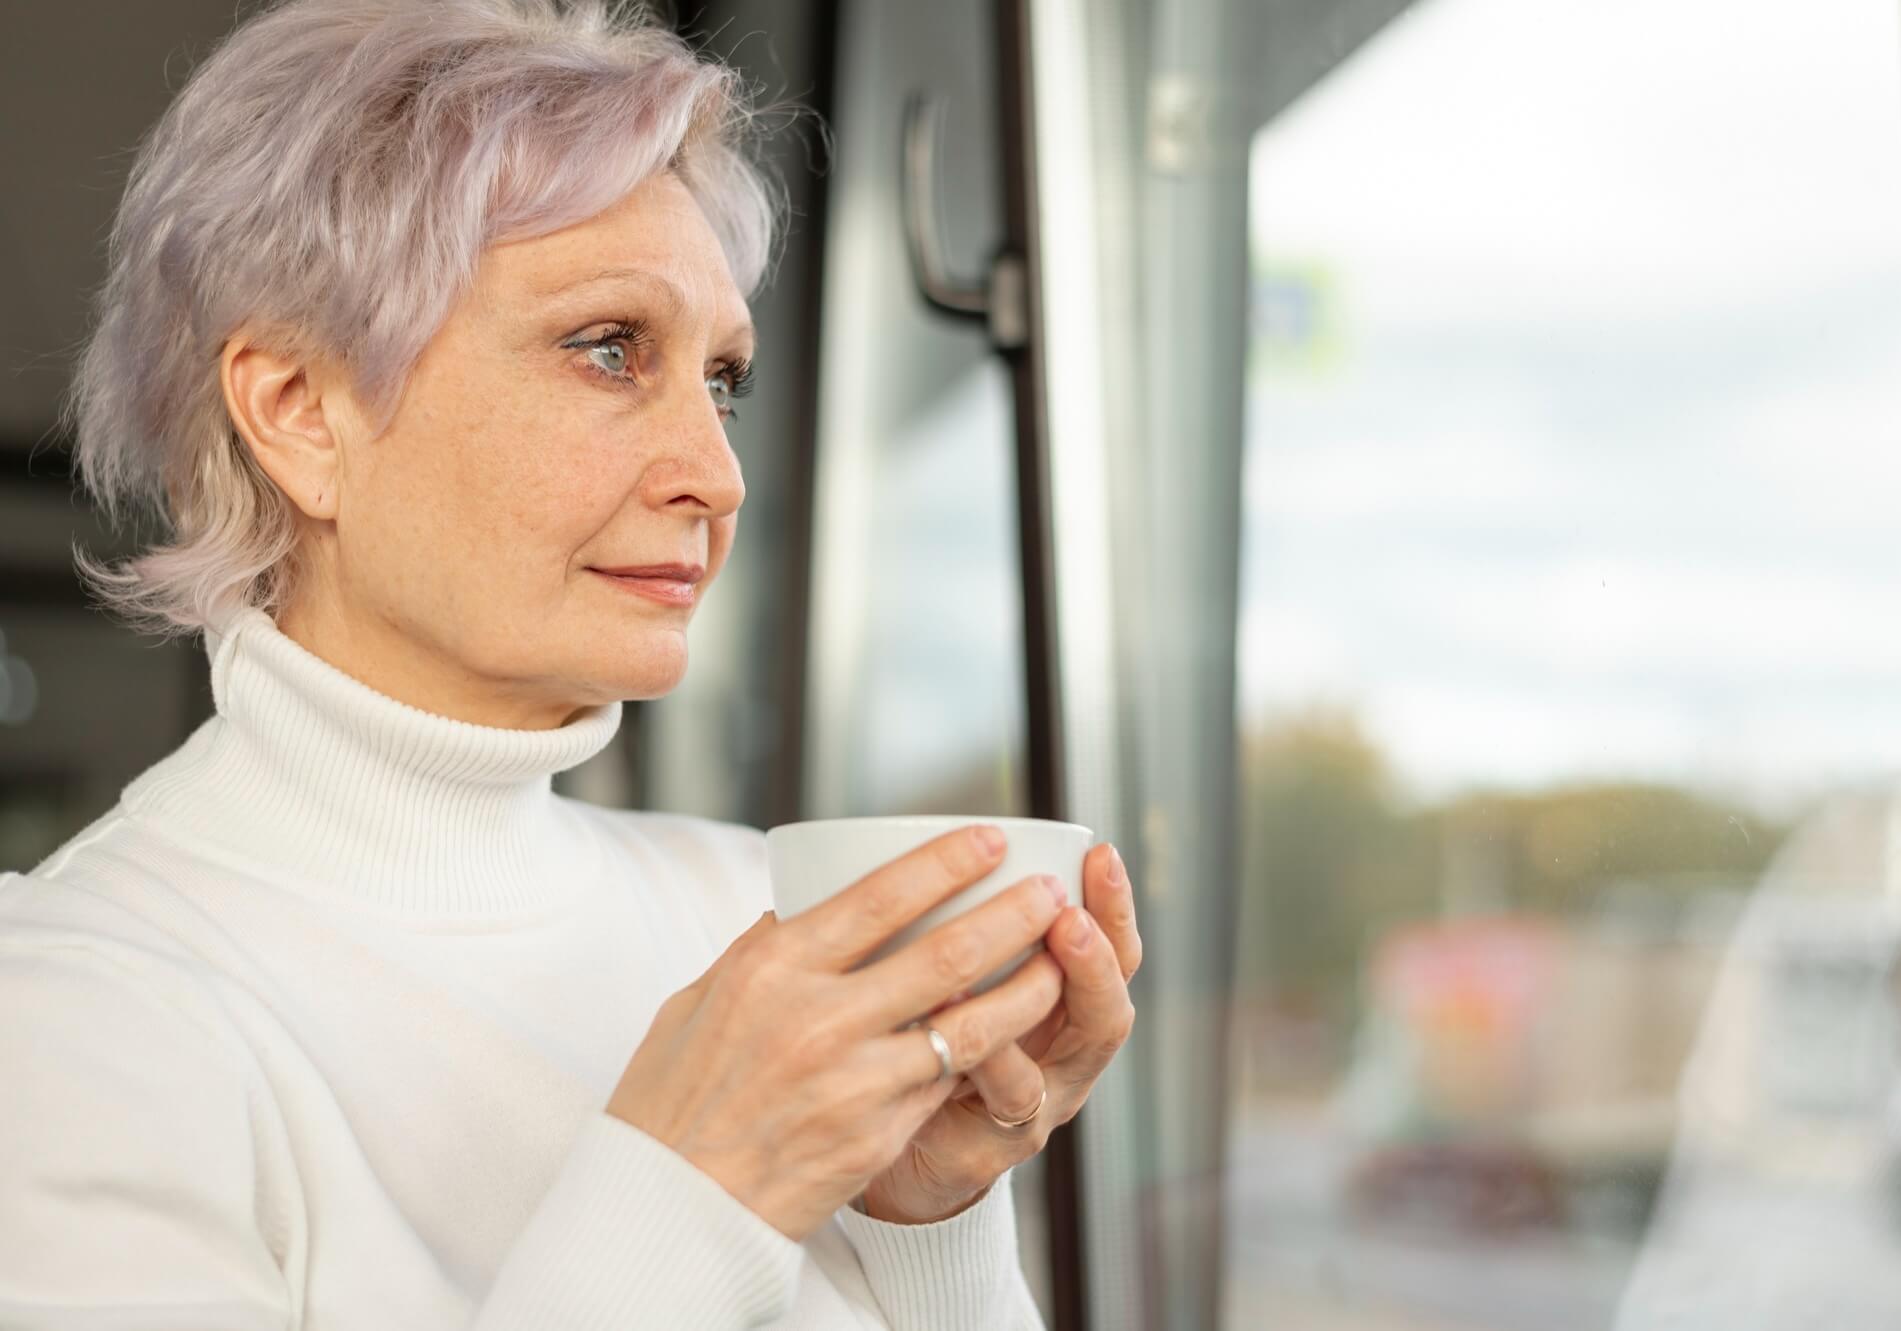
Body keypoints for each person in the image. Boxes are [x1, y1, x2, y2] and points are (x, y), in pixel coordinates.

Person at [0, 1, 1142, 1327]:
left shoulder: (753, 921)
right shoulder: (73, 1015)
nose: (716, 477)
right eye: (608, 350)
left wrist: (929, 1223)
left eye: (723, 379)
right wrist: (695, 1184)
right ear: (300, 414)